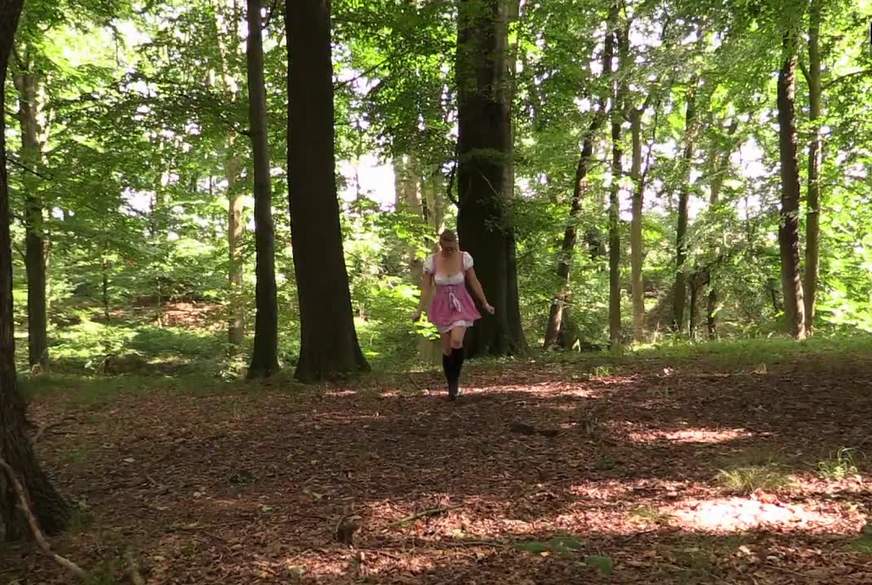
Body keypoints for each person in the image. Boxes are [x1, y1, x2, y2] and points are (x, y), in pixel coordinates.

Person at [412, 230, 494, 400]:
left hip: (461, 305)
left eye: (453, 248)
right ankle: (451, 384)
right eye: (446, 248)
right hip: (442, 306)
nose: (450, 251)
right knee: (447, 348)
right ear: (441, 245)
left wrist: (485, 302)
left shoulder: (464, 258)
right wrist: (419, 310)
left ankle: (455, 381)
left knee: (456, 341)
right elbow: (426, 288)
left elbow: (474, 281)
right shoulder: (432, 261)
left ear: (456, 244)